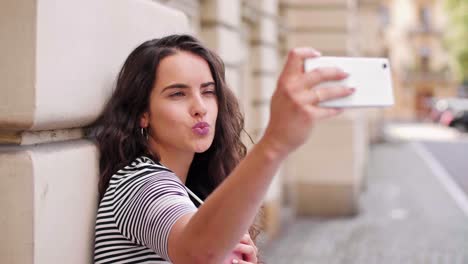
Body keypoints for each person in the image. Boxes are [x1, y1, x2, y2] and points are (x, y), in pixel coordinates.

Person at [93, 34, 354, 264]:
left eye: (208, 92)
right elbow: (197, 254)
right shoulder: (140, 183)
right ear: (143, 114)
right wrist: (274, 142)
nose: (200, 107)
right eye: (177, 94)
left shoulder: (194, 191)